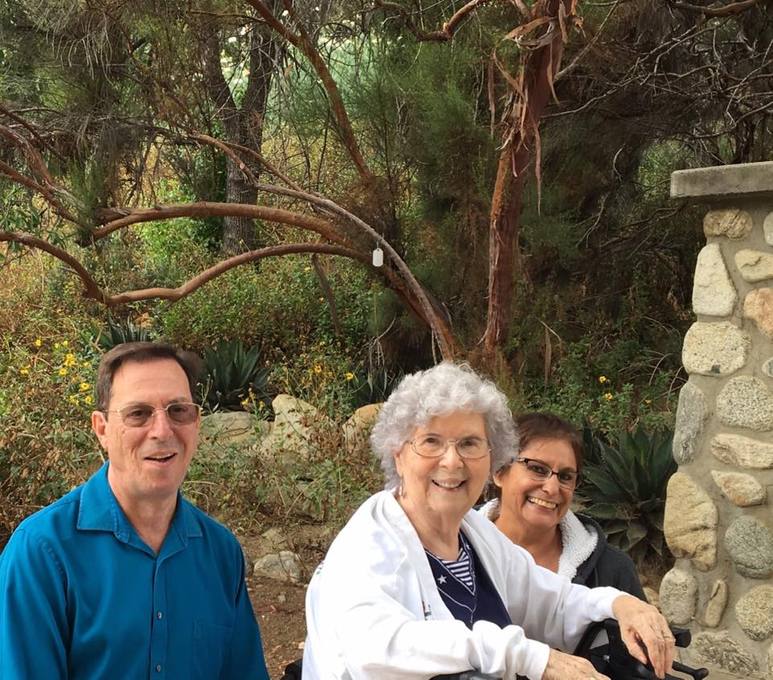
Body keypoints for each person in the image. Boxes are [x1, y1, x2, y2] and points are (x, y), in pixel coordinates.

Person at [303, 363, 674, 680]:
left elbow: (550, 600)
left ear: (492, 457)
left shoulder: (473, 534)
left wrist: (620, 604)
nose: (452, 461)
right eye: (431, 441)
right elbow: (378, 648)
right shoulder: (367, 544)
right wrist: (531, 657)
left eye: (469, 443)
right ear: (398, 454)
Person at [0, 342, 270, 679]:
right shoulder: (42, 553)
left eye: (178, 410)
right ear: (102, 429)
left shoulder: (220, 552)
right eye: (138, 413)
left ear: (197, 422)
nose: (161, 431)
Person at [478, 412, 645, 597]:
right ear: (499, 471)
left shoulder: (611, 571)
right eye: (537, 469)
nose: (552, 488)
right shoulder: (453, 547)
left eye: (566, 477)